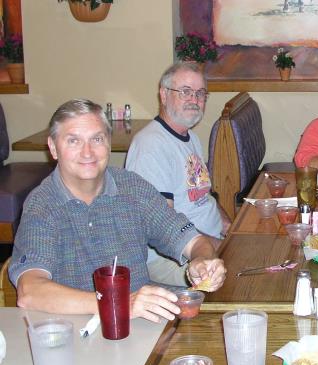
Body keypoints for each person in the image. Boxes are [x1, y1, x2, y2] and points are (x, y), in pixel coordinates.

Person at [9, 99, 226, 322]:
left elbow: (192, 240)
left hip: (140, 327)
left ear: (109, 143)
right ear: (53, 148)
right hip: (77, 333)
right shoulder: (42, 205)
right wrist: (117, 303)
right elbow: (30, 291)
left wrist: (204, 261)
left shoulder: (132, 188)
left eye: (97, 139)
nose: (87, 152)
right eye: (73, 141)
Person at [126, 62, 230, 286]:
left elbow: (203, 195)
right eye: (185, 92)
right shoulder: (151, 146)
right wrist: (217, 246)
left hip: (210, 242)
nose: (194, 99)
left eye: (200, 93)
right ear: (164, 95)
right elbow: (163, 226)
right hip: (175, 259)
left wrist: (230, 228)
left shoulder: (190, 137)